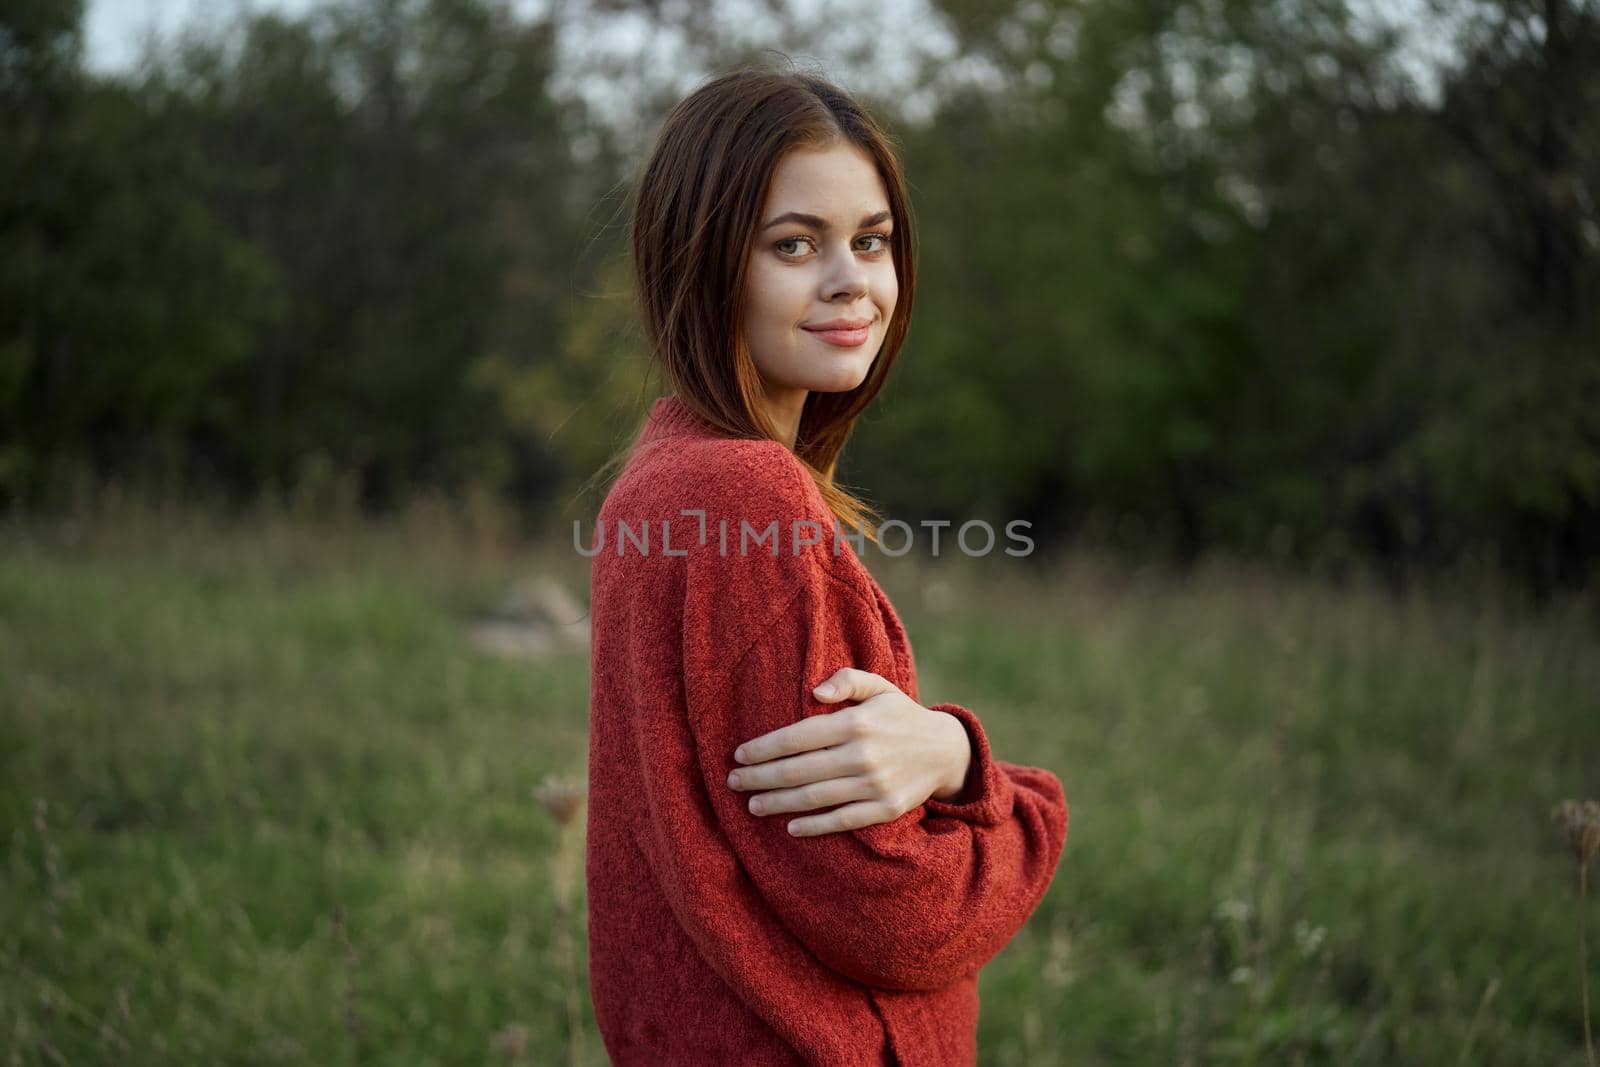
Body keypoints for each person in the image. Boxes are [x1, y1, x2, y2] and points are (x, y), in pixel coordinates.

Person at [584, 64, 1069, 1066]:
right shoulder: (744, 496)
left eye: (872, 240)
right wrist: (1016, 800)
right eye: (794, 244)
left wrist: (939, 748)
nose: (852, 279)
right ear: (704, 262)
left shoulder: (660, 475)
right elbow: (895, 909)